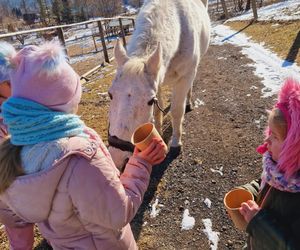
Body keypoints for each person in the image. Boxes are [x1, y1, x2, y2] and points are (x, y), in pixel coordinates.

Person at [0, 40, 166, 249]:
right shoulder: (81, 159)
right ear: (66, 99)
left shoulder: (12, 151)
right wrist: (141, 162)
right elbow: (120, 212)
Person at [238, 78, 300, 249]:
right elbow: (268, 187)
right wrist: (248, 191)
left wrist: (258, 223)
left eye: (275, 136)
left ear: (294, 148)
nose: (267, 140)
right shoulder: (278, 171)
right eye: (269, 132)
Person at [0, 79, 35, 250]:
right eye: (7, 82)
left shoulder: (22, 106)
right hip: (9, 201)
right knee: (21, 241)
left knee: (52, 229)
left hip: (38, 185)